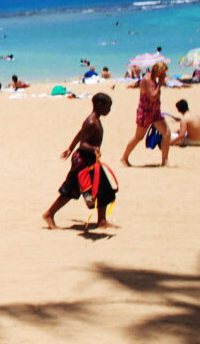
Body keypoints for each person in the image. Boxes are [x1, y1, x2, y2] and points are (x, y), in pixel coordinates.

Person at [43, 92, 117, 230]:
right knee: (71, 190)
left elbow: (79, 133)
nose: (109, 110)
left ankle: (102, 220)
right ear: (99, 105)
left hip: (91, 160)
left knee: (103, 188)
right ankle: (49, 214)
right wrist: (94, 148)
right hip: (82, 161)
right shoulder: (91, 122)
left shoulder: (94, 120)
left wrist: (69, 148)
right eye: (108, 107)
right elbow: (83, 143)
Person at [121, 61, 170, 166]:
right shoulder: (146, 80)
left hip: (155, 112)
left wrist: (160, 82)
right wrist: (160, 84)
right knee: (138, 137)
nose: (163, 75)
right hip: (145, 112)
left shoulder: (154, 80)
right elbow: (153, 97)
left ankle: (165, 161)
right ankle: (124, 158)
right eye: (162, 73)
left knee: (167, 133)